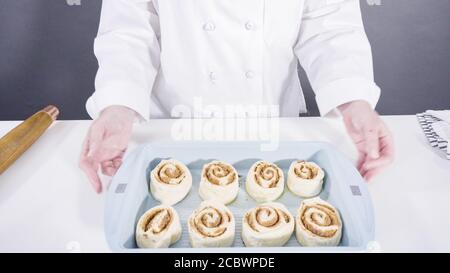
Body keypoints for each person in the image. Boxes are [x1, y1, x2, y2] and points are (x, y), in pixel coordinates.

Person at [80, 0, 394, 193]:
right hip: (172, 130)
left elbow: (329, 26)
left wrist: (354, 100)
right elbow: (130, 29)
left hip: (272, 128)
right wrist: (118, 107)